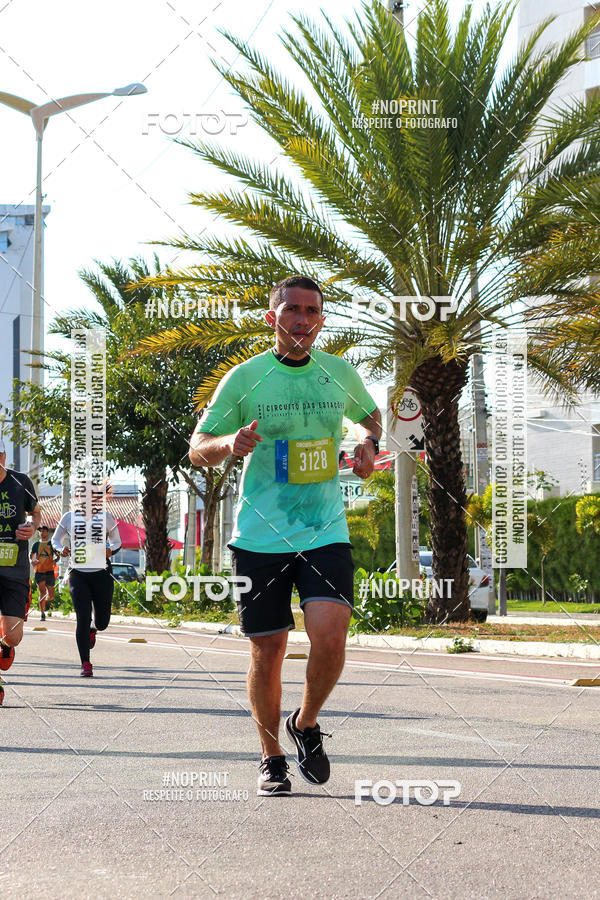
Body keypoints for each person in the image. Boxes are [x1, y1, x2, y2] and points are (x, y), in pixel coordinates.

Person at [189, 275, 381, 795]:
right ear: (273, 317)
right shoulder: (246, 378)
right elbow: (197, 447)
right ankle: (271, 755)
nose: (302, 319)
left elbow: (371, 416)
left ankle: (306, 723)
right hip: (259, 536)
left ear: (321, 320)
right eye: (292, 310)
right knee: (268, 649)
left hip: (324, 528)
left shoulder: (337, 372)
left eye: (311, 311)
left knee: (331, 634)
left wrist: (367, 442)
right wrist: (229, 441)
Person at [52, 485, 122, 677]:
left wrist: (111, 549)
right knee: (82, 617)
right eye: (82, 496)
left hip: (102, 573)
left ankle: (94, 628)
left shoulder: (106, 518)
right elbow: (55, 540)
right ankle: (86, 663)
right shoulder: (68, 517)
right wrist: (61, 549)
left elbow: (117, 541)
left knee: (102, 622)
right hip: (77, 573)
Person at [0, 439, 41, 706]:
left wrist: (32, 527)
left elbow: (36, 513)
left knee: (12, 635)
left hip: (15, 567)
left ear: (2, 456)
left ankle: (5, 645)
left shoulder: (20, 481)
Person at [30, 526, 59, 620]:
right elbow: (31, 556)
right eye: (40, 531)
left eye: (43, 531)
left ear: (47, 532)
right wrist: (32, 561)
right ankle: (42, 613)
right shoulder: (36, 544)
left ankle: (45, 601)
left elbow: (58, 555)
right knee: (42, 592)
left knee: (51, 595)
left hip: (50, 571)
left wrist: (56, 560)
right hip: (39, 571)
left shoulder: (51, 544)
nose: (41, 533)